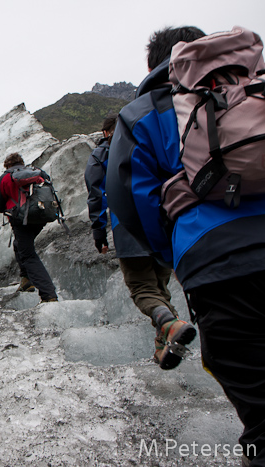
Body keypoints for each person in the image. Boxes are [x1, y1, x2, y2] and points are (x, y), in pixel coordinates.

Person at [106, 26, 265, 466]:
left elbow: (130, 201)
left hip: (220, 268)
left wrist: (179, 254)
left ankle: (165, 321)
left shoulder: (145, 111)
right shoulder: (255, 90)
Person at [84, 114, 193, 370]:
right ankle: (162, 346)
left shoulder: (102, 153)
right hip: (165, 224)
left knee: (142, 288)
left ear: (106, 132)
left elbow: (96, 193)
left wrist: (99, 232)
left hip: (130, 228)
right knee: (160, 285)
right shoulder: (149, 139)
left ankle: (170, 325)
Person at [0, 152, 58, 302]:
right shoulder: (37, 173)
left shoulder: (6, 178)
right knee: (20, 245)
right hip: (41, 217)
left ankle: (48, 294)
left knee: (28, 255)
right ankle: (26, 281)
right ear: (21, 163)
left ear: (7, 166)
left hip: (21, 221)